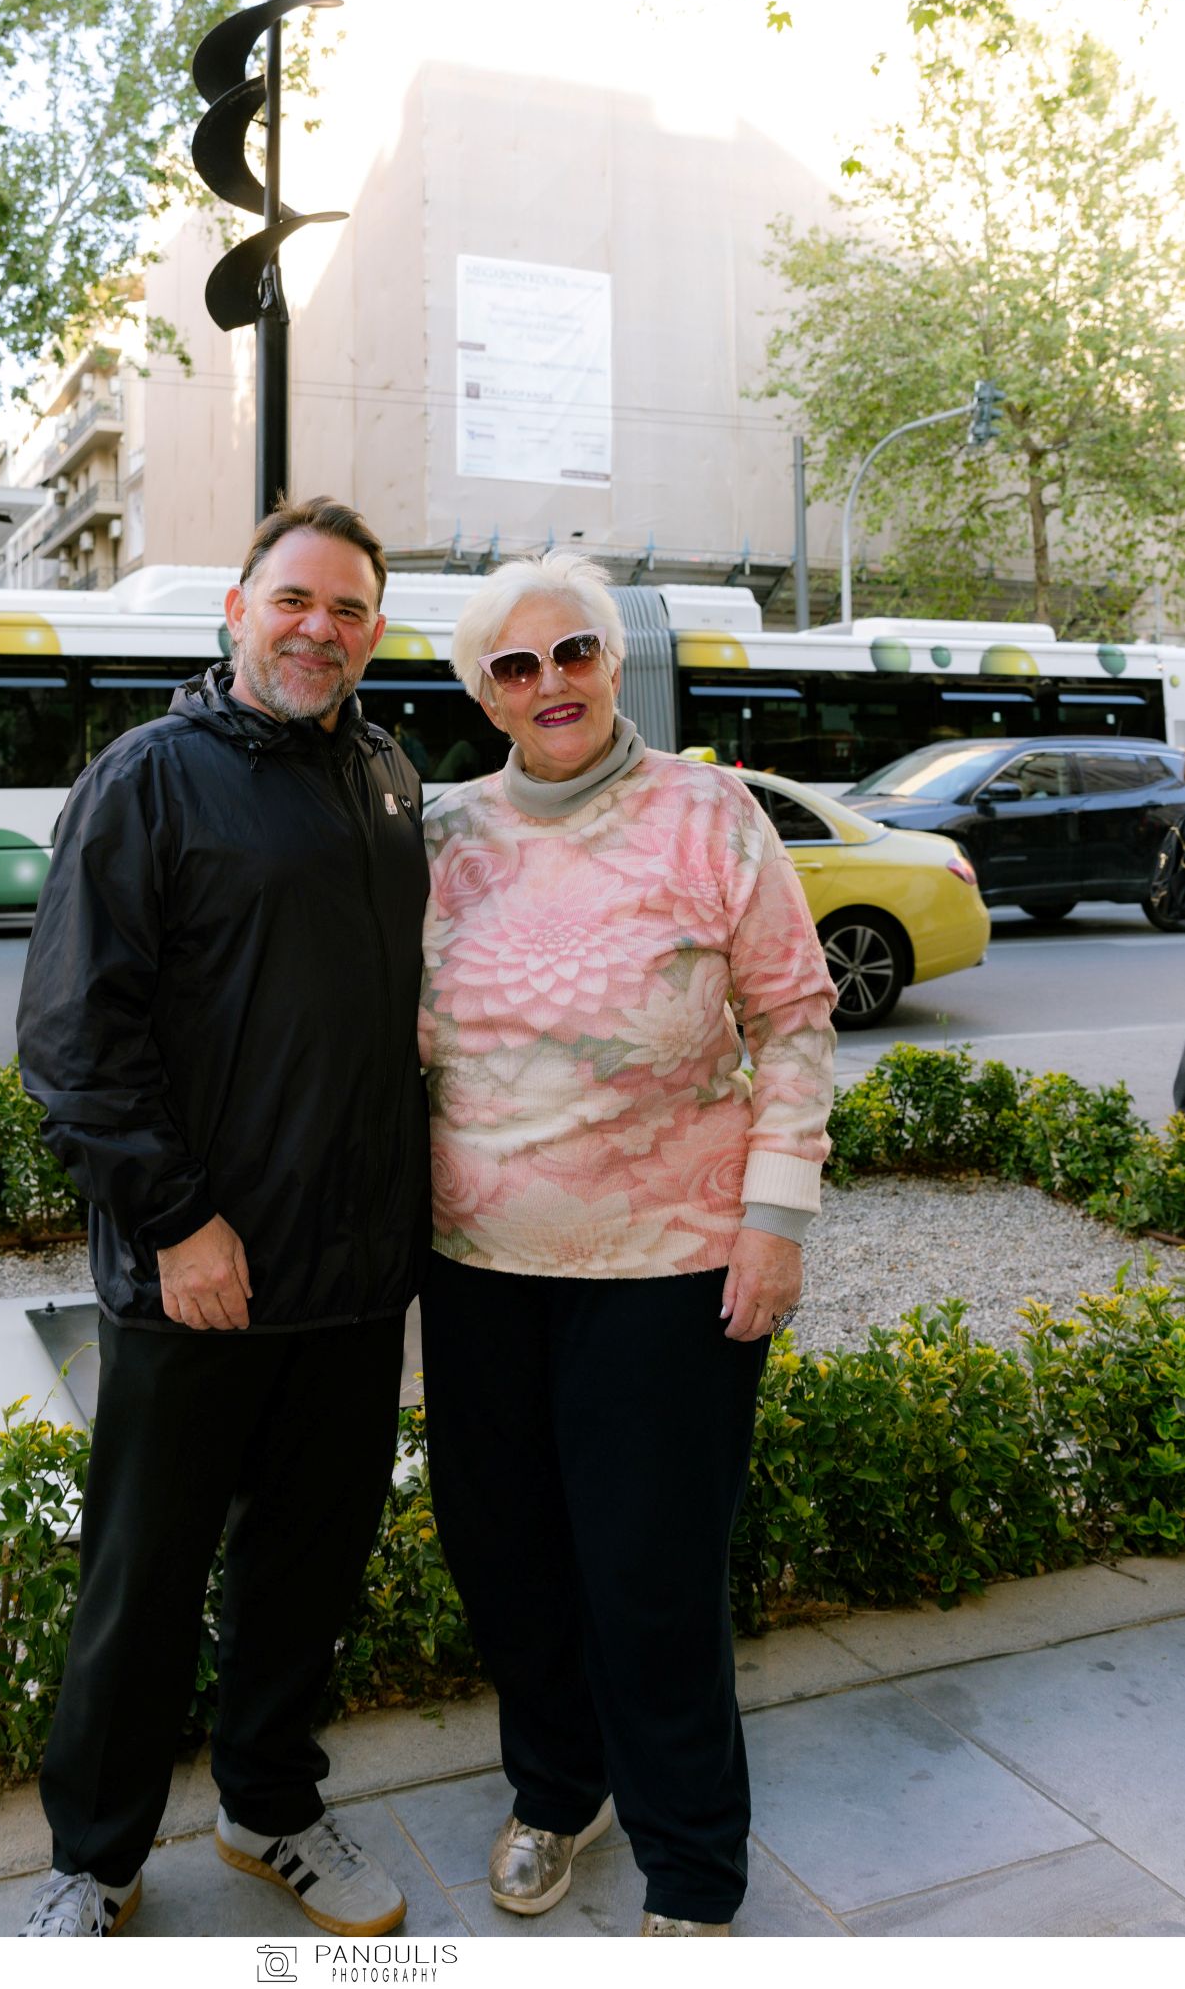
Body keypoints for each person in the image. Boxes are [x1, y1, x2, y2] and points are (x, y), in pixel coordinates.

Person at [14, 497, 431, 1940]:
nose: (320, 628)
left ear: (375, 632)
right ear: (239, 611)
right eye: (294, 600)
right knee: (142, 1579)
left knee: (305, 1573)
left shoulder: (387, 773)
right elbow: (75, 1041)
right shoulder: (148, 777)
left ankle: (271, 1813)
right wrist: (178, 1224)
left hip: (353, 1279)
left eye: (348, 608)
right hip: (197, 1274)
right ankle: (96, 1858)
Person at [417, 551, 837, 1938]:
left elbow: (793, 1020)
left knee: (651, 1579)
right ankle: (558, 1792)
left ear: (612, 661)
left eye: (574, 651)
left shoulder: (711, 814)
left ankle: (695, 1869)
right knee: (507, 1562)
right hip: (476, 1272)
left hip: (668, 1269)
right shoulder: (440, 837)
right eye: (516, 665)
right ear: (483, 695)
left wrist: (774, 1222)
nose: (552, 682)